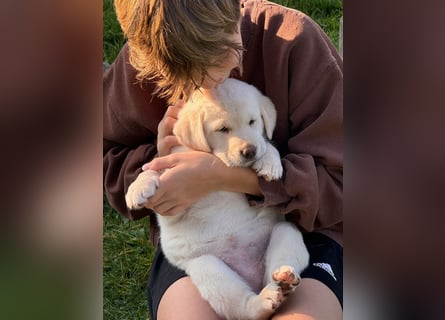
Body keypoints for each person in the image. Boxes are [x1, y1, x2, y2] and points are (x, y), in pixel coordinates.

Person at [103, 0, 343, 319]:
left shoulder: (294, 43)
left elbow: (344, 184)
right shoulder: (143, 62)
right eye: (192, 73)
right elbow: (108, 155)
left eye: (229, 43)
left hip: (307, 232)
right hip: (202, 244)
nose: (229, 63)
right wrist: (160, 164)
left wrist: (223, 177)